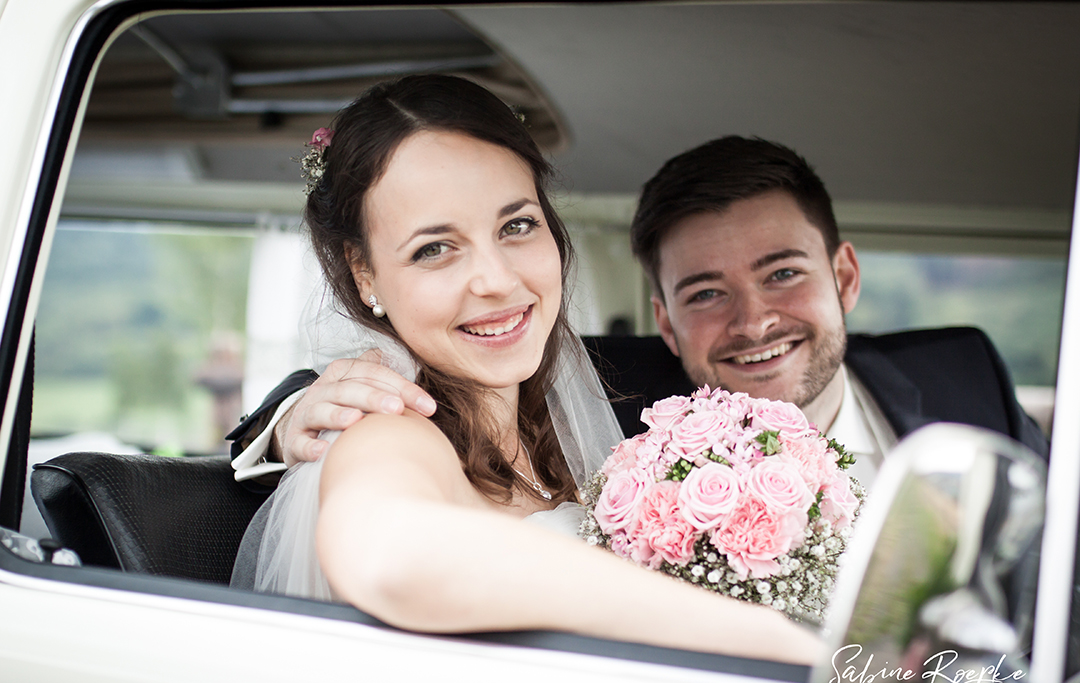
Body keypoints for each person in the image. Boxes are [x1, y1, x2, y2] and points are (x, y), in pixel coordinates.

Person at [231, 74, 820, 664]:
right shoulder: (390, 431)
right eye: (434, 248)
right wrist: (765, 640)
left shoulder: (568, 437)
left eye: (517, 226)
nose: (498, 280)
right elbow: (389, 556)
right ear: (364, 274)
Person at [230, 136, 1048, 492]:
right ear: (663, 321)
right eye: (705, 293)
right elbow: (440, 359)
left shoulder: (963, 370)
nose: (754, 320)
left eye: (784, 273)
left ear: (844, 274)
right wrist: (294, 413)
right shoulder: (615, 398)